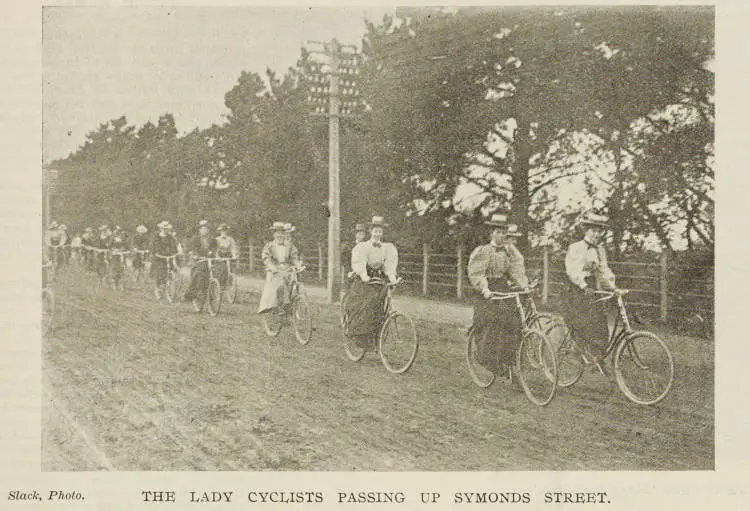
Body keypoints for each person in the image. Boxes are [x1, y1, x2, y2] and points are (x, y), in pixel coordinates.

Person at [467, 213, 529, 381]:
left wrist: (524, 285)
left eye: (504, 232)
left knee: (514, 321)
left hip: (502, 287)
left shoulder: (509, 252)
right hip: (486, 290)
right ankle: (486, 358)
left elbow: (516, 270)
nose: (501, 235)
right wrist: (485, 289)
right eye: (498, 232)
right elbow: (477, 273)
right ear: (492, 233)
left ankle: (507, 361)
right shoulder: (483, 251)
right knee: (493, 320)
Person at [562, 212, 616, 366]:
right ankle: (579, 352)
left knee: (599, 322)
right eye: (593, 230)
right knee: (583, 321)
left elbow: (604, 271)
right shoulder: (576, 247)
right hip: (575, 287)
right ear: (586, 230)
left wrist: (613, 288)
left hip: (592, 288)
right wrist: (583, 285)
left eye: (599, 231)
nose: (596, 234)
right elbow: (572, 270)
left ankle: (595, 357)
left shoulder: (600, 249)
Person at [344, 216, 399, 347]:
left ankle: (376, 336)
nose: (378, 233)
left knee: (381, 302)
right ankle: (359, 334)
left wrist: (392, 279)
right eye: (375, 231)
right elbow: (360, 262)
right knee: (367, 302)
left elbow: (389, 265)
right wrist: (364, 276)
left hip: (378, 279)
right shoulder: (363, 247)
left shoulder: (387, 248)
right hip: (364, 279)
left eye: (380, 231)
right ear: (371, 231)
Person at [258, 222, 301, 315]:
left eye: (282, 233)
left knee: (295, 284)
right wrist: (272, 267)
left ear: (285, 234)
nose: (280, 235)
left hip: (287, 269)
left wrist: (298, 265)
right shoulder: (269, 246)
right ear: (274, 234)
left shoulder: (290, 245)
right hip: (275, 270)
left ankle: (291, 305)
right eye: (277, 233)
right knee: (279, 284)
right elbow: (266, 258)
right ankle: (277, 306)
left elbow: (294, 258)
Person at [183, 219, 217, 304]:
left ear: (208, 230)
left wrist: (213, 253)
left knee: (216, 272)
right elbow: (192, 249)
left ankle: (215, 291)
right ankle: (194, 293)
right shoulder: (195, 239)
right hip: (199, 260)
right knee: (198, 274)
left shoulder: (212, 239)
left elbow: (215, 248)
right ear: (199, 230)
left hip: (209, 260)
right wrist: (195, 255)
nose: (204, 230)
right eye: (202, 228)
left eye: (206, 228)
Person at [150, 220, 179, 298]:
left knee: (172, 269)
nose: (165, 230)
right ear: (160, 228)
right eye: (163, 228)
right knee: (158, 273)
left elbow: (174, 246)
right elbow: (153, 247)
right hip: (158, 257)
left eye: (166, 229)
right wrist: (156, 253)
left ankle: (170, 286)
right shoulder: (156, 237)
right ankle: (157, 288)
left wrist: (175, 253)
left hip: (168, 256)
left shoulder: (171, 237)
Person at [341, 223, 367, 289]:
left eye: (363, 234)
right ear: (356, 235)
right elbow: (345, 260)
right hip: (351, 271)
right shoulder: (349, 246)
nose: (361, 236)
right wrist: (349, 271)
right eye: (359, 234)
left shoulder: (366, 246)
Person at [215, 223, 239, 288]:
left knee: (231, 270)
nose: (224, 232)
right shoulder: (217, 239)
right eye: (222, 230)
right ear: (220, 231)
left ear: (227, 231)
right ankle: (220, 285)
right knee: (222, 270)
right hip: (220, 257)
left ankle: (230, 285)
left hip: (228, 256)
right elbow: (216, 249)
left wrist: (234, 255)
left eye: (225, 230)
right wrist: (217, 257)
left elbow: (233, 247)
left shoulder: (230, 239)